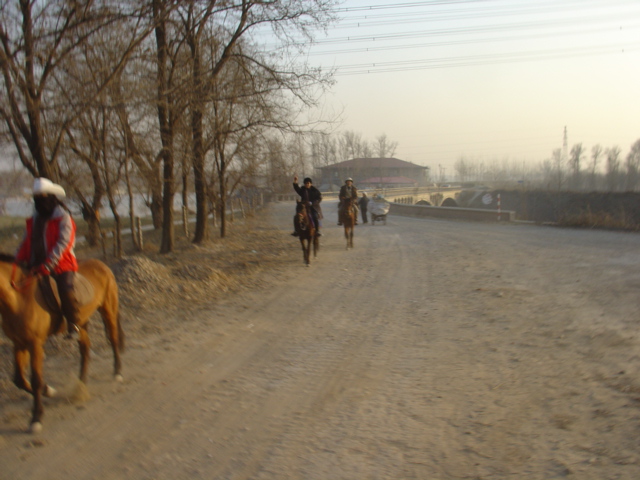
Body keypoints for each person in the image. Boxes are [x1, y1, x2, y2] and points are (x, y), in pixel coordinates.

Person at [15, 178, 81, 340]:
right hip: (36, 263)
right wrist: (16, 262)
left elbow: (64, 243)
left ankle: (73, 324)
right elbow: (26, 242)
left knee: (65, 288)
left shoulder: (64, 218)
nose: (39, 201)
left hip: (61, 263)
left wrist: (49, 263)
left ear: (51, 197)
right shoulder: (34, 220)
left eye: (42, 197)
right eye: (37, 198)